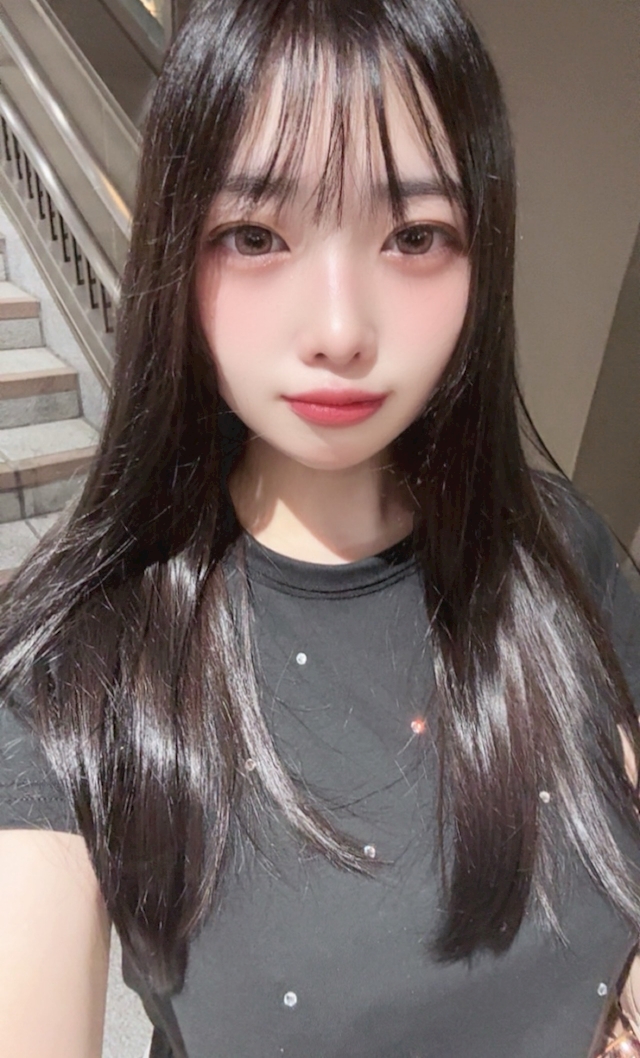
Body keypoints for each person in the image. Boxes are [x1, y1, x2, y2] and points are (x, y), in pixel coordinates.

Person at [0, 0, 639, 1055]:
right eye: (256, 236)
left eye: (414, 237)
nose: (341, 330)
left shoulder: (553, 544)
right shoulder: (78, 671)